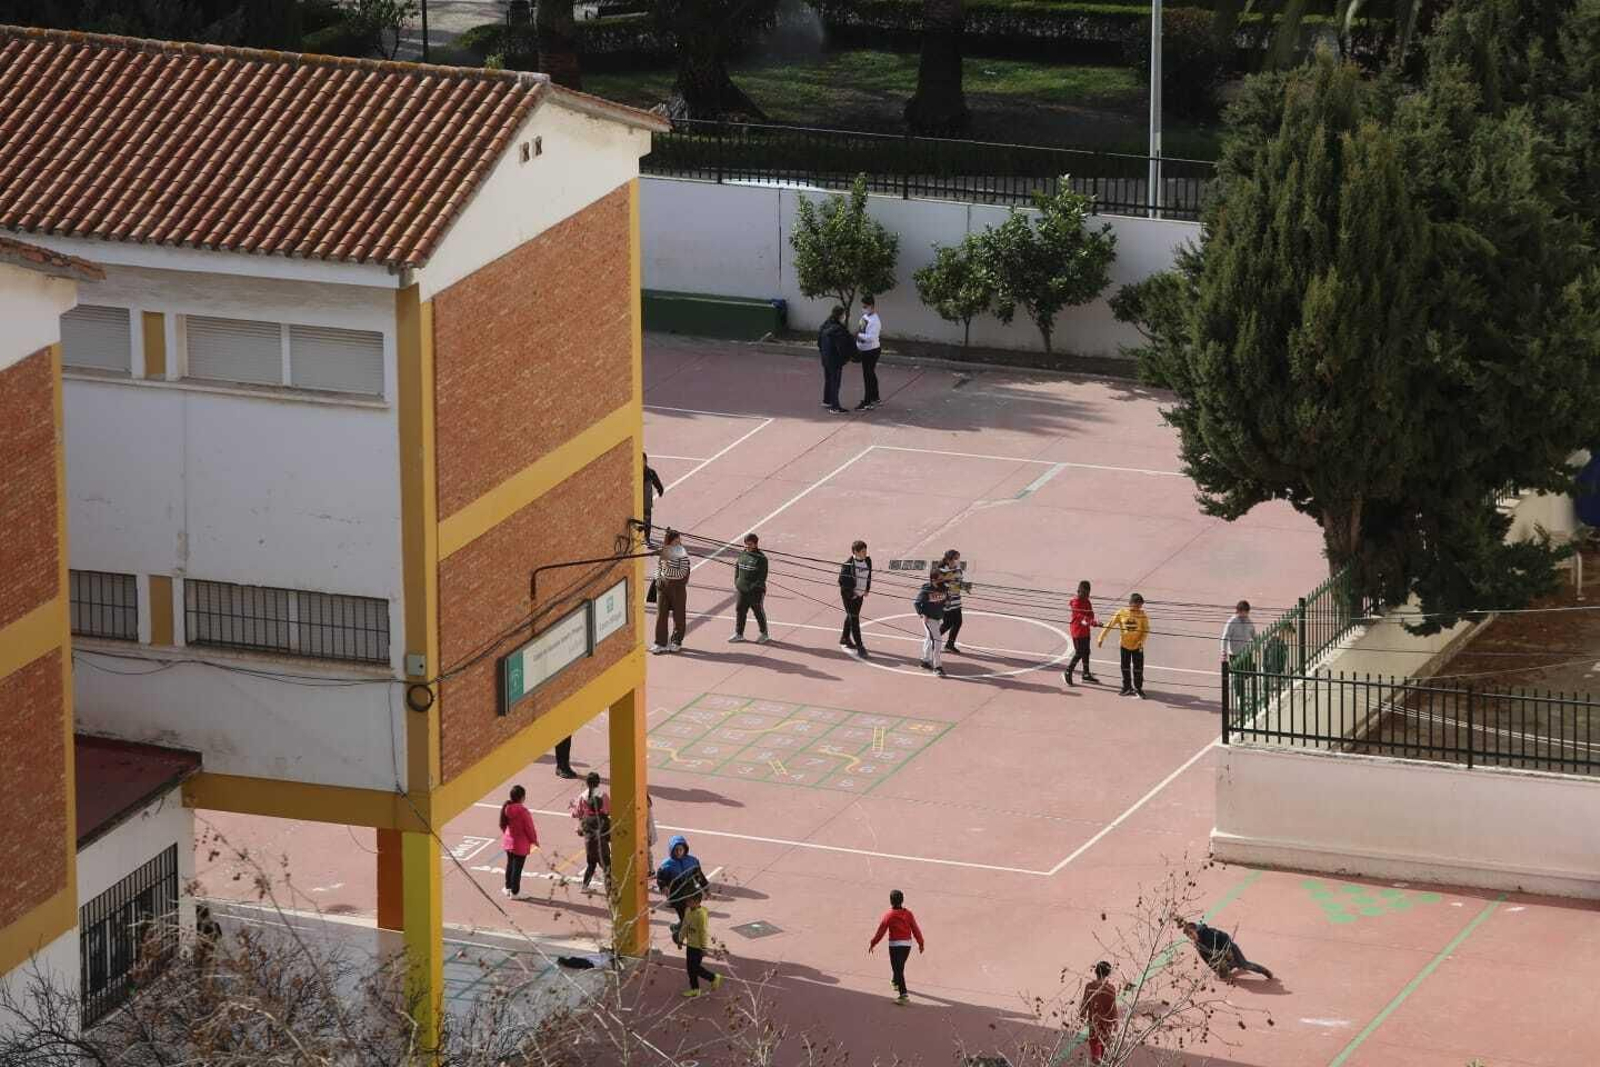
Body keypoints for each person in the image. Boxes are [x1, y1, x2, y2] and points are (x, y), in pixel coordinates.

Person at [867, 888, 924, 1004]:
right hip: (907, 945)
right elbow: (915, 929)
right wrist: (921, 943)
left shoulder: (889, 915)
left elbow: (881, 932)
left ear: (891, 901)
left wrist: (873, 943)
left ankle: (903, 995)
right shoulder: (908, 914)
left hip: (895, 946)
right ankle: (895, 981)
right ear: (902, 900)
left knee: (897, 968)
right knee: (899, 966)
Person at [656, 834, 710, 945]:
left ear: (685, 849)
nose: (679, 852)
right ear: (672, 850)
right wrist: (664, 887)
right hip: (678, 896)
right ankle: (679, 936)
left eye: (681, 849)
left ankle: (676, 928)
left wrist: (706, 888)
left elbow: (699, 876)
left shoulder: (692, 861)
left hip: (691, 893)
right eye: (676, 850)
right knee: (687, 919)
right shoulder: (666, 865)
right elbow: (661, 879)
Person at [1180, 919, 1274, 981]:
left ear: (1196, 929)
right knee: (1223, 975)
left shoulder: (1208, 932)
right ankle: (1233, 965)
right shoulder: (1198, 945)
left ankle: (1265, 971)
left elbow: (1225, 936)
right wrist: (1215, 969)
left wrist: (1226, 950)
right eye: (1189, 936)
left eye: (1191, 933)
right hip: (1220, 958)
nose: (1191, 937)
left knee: (1245, 965)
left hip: (1230, 949)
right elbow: (1206, 959)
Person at [1097, 593, 1150, 698]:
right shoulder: (1121, 613)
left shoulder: (1143, 615)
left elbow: (1146, 629)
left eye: (1139, 607)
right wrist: (1101, 637)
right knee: (1125, 667)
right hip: (1124, 645)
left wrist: (1141, 641)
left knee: (1138, 669)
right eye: (1136, 607)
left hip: (1138, 646)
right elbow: (1109, 624)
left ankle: (1138, 688)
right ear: (1130, 603)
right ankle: (1127, 687)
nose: (1138, 609)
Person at [569, 771, 612, 894]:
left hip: (589, 842)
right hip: (601, 845)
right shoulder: (603, 797)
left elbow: (576, 813)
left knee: (591, 865)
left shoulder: (583, 796)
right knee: (607, 868)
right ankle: (609, 889)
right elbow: (609, 811)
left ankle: (585, 886)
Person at [650, 529, 690, 654]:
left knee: (679, 616)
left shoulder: (682, 554)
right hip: (663, 587)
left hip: (677, 587)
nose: (678, 542)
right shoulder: (665, 551)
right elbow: (659, 567)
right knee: (661, 616)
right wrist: (658, 578)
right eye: (675, 540)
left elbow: (682, 573)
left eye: (679, 540)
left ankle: (676, 641)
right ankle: (660, 643)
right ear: (669, 541)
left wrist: (666, 571)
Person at [728, 532, 771, 644]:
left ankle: (764, 634)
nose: (747, 546)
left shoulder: (761, 559)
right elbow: (737, 569)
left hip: (755, 591)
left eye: (750, 544)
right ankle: (739, 634)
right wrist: (737, 582)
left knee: (758, 612)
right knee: (740, 610)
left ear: (756, 544)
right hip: (742, 590)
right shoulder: (743, 554)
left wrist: (751, 588)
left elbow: (762, 577)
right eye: (746, 544)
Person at [498, 785, 539, 899]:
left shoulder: (507, 808)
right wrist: (534, 841)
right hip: (520, 844)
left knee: (510, 865)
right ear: (522, 797)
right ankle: (515, 892)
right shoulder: (523, 812)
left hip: (508, 841)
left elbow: (503, 825)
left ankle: (508, 887)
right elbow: (529, 828)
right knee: (517, 869)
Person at [680, 891, 723, 997]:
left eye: (690, 901)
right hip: (690, 945)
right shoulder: (687, 910)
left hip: (698, 947)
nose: (687, 903)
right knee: (690, 969)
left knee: (694, 968)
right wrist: (680, 939)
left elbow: (703, 932)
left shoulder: (701, 915)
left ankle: (713, 977)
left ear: (697, 902)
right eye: (687, 900)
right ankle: (695, 989)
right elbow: (685, 926)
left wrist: (704, 948)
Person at [837, 540, 873, 658]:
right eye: (863, 551)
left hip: (860, 595)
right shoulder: (847, 565)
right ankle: (860, 646)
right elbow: (841, 582)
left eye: (865, 551)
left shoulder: (868, 561)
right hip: (850, 597)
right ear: (855, 552)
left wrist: (867, 588)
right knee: (854, 619)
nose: (865, 553)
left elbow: (869, 575)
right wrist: (852, 594)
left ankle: (845, 638)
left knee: (852, 615)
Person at [1079, 961, 1118, 1065]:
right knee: (1106, 1056)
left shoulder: (1090, 987)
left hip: (1094, 1026)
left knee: (1096, 1055)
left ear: (1096, 972)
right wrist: (1116, 1023)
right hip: (1107, 1027)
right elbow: (1113, 1008)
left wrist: (1082, 1017)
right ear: (1108, 974)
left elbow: (1084, 1004)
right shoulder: (1111, 988)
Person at [1220, 600, 1257, 709]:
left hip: (1247, 653)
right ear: (1239, 611)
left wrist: (1257, 644)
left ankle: (1237, 685)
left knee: (1247, 673)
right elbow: (1225, 637)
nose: (1246, 615)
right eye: (1245, 612)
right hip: (1236, 654)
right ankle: (1240, 696)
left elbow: (1253, 633)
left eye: (1247, 612)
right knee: (1239, 677)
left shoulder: (1248, 620)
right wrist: (1223, 652)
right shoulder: (1232, 622)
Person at [1063, 580, 1100, 686]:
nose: (1086, 595)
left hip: (1085, 631)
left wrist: (1092, 621)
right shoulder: (1076, 602)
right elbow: (1080, 617)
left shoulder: (1087, 601)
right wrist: (1093, 622)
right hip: (1077, 632)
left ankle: (1086, 673)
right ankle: (1068, 671)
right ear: (1078, 591)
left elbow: (1090, 614)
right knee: (1079, 652)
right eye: (1083, 593)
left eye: (1087, 593)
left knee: (1086, 652)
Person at [818, 306, 854, 414]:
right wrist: (846, 358)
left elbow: (819, 342)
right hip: (835, 360)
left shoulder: (825, 325)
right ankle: (835, 407)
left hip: (825, 357)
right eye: (844, 315)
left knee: (828, 380)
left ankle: (827, 401)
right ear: (841, 315)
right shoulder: (839, 329)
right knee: (835, 383)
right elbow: (842, 347)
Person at [914, 580, 948, 677]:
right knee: (937, 641)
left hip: (937, 618)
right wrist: (922, 614)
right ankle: (937, 667)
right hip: (929, 619)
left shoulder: (944, 587)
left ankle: (925, 661)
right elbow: (917, 603)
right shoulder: (927, 589)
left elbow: (946, 600)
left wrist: (946, 603)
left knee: (929, 638)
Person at [854, 294, 882, 411]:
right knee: (870, 374)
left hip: (871, 351)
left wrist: (858, 336)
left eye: (866, 306)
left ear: (872, 306)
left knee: (868, 376)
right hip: (865, 350)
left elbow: (871, 337)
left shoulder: (875, 321)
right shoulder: (865, 316)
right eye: (863, 306)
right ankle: (875, 397)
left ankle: (867, 401)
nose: (864, 308)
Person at [933, 549, 964, 654]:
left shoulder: (958, 570)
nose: (957, 561)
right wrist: (954, 585)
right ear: (948, 560)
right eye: (955, 559)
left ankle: (950, 645)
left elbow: (958, 582)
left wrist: (963, 586)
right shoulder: (941, 571)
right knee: (948, 623)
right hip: (946, 602)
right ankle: (932, 640)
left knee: (958, 622)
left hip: (956, 600)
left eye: (958, 559)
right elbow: (938, 585)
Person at [642, 453, 666, 547]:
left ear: (646, 461)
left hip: (646, 502)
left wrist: (660, 490)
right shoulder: (636, 473)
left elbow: (657, 482)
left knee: (647, 521)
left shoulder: (650, 473)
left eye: (642, 461)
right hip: (636, 504)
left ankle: (646, 538)